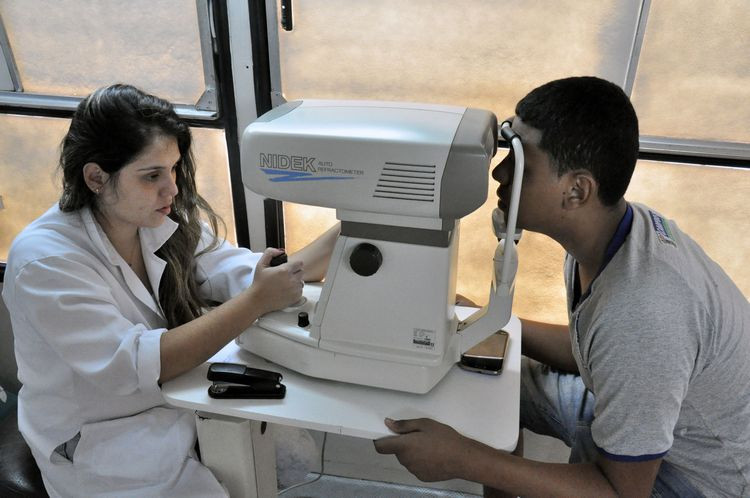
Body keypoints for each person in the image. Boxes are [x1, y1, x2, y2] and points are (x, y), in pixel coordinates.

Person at [374, 76, 750, 497]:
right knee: (496, 379)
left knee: (490, 427)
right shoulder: (613, 234)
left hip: (695, 479)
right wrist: (488, 321)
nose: (500, 172)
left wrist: (464, 458)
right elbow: (600, 352)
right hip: (650, 413)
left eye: (522, 163)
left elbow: (622, 493)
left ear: (576, 191)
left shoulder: (643, 308)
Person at [2, 84, 339, 496]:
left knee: (269, 449)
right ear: (96, 177)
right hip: (102, 438)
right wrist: (256, 301)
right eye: (152, 176)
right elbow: (136, 364)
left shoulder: (155, 221)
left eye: (174, 169)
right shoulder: (46, 262)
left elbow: (255, 274)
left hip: (172, 404)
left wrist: (360, 221)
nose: (173, 189)